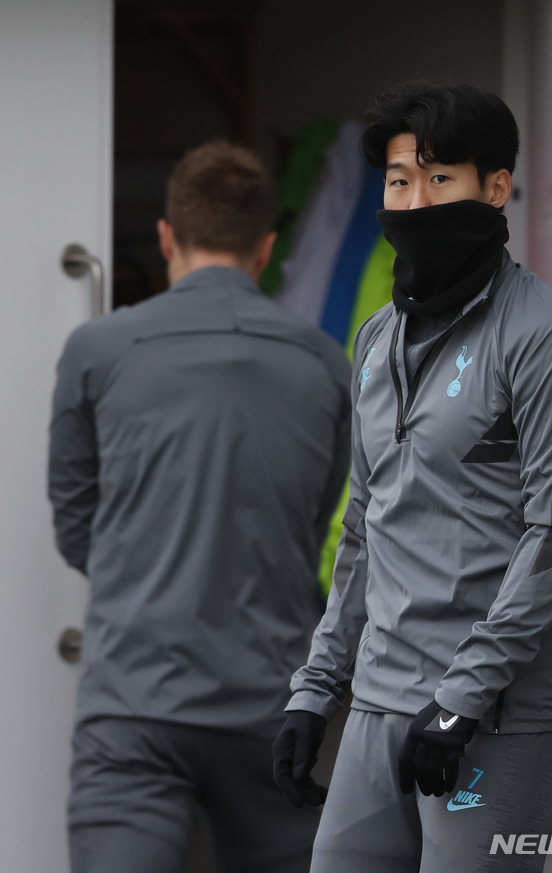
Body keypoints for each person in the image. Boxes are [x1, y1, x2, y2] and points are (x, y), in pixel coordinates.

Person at [273, 82, 552, 872]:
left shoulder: (547, 340)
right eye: (399, 181)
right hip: (379, 708)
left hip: (497, 717)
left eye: (439, 178)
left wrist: (462, 697)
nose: (415, 201)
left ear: (496, 188)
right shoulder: (376, 339)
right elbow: (365, 522)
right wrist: (316, 688)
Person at [48, 141, 351, 873]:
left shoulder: (97, 348)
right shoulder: (325, 362)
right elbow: (319, 519)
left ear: (164, 235)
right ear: (266, 246)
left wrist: (145, 570)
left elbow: (75, 521)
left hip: (135, 704)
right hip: (273, 702)